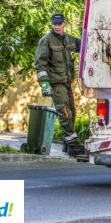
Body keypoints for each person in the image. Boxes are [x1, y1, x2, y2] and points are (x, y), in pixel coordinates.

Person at [34, 13, 82, 156]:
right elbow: (40, 65)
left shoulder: (69, 39)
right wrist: (44, 85)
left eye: (59, 23)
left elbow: (84, 45)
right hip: (56, 83)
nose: (57, 26)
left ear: (64, 24)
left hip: (67, 82)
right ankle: (73, 145)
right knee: (64, 112)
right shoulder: (46, 41)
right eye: (54, 24)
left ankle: (67, 143)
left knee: (72, 112)